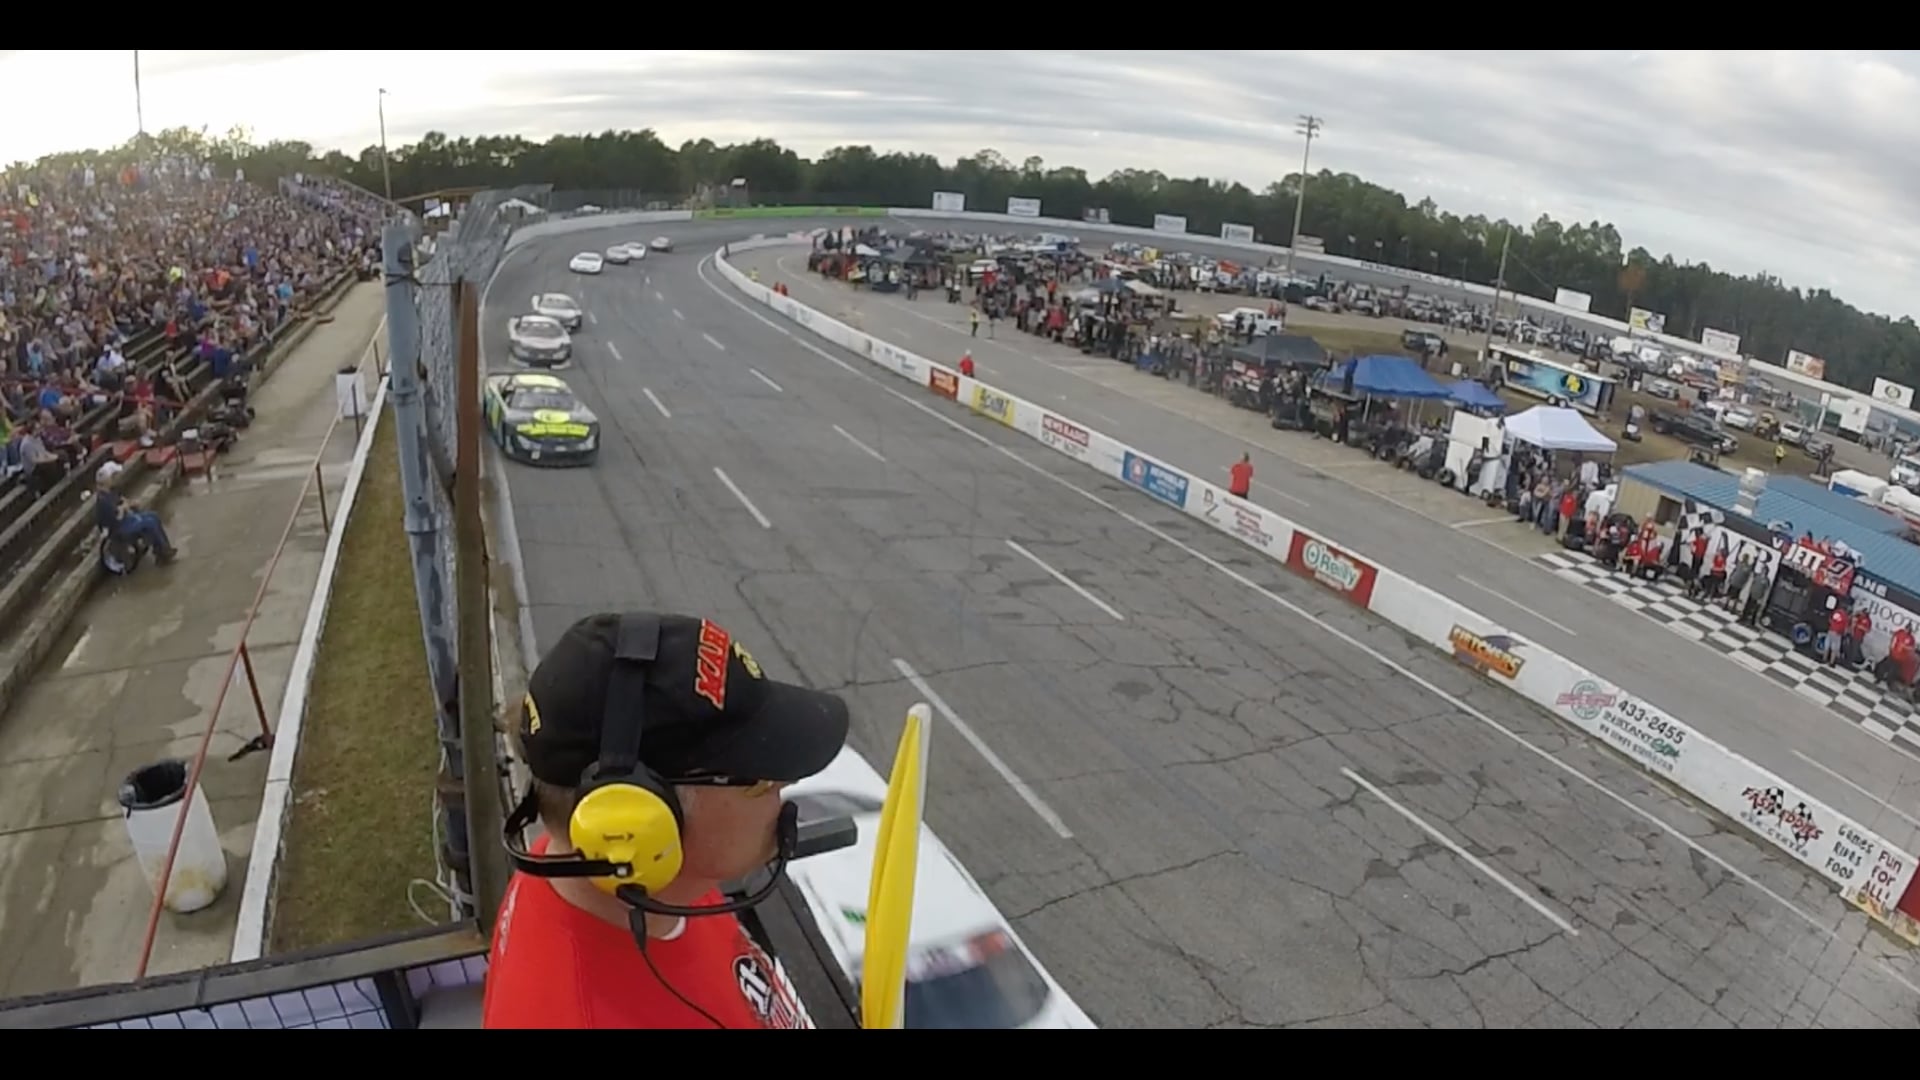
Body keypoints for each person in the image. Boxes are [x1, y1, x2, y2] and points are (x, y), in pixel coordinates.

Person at [483, 612, 851, 1029]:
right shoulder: (578, 1015)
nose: (789, 783)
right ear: (639, 818)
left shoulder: (647, 883)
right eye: (762, 779)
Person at [93, 471, 177, 562]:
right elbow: (118, 517)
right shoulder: (103, 501)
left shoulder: (111, 492)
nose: (112, 479)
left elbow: (122, 501)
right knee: (149, 522)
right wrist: (124, 508)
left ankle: (163, 549)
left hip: (127, 519)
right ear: (105, 482)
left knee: (153, 515)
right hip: (119, 528)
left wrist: (131, 503)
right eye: (110, 478)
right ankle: (162, 552)